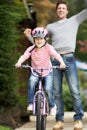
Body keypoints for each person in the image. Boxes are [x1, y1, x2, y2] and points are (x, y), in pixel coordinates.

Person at [24, 0, 87, 129]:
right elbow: (39, 43)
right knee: (56, 92)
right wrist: (29, 36)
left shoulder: (74, 20)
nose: (61, 10)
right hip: (53, 61)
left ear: (67, 11)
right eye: (59, 8)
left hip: (69, 59)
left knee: (74, 91)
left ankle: (78, 119)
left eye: (63, 8)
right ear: (57, 10)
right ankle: (59, 121)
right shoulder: (50, 27)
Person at [15, 27, 66, 116]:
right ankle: (31, 103)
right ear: (33, 39)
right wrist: (19, 62)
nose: (39, 41)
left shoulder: (49, 48)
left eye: (41, 39)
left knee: (48, 88)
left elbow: (56, 55)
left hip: (47, 71)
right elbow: (24, 56)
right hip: (35, 71)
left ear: (45, 39)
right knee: (31, 82)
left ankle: (52, 105)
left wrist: (62, 63)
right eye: (36, 39)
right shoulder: (31, 49)